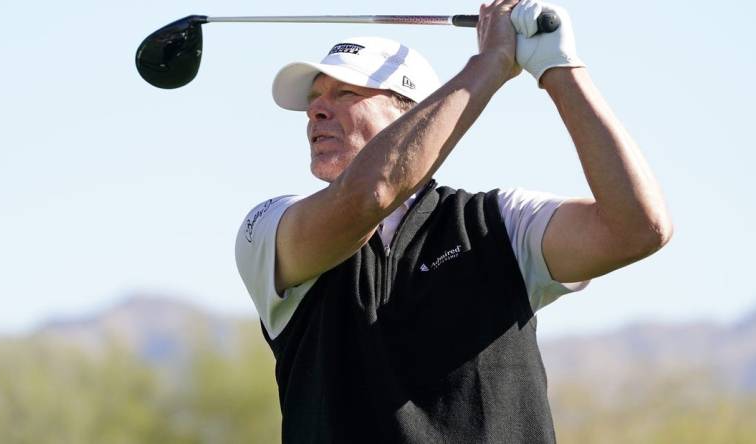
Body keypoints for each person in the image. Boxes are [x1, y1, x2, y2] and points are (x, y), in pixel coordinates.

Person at [235, 0, 672, 442]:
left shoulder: (500, 224)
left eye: (346, 93)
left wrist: (559, 67)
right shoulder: (269, 230)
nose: (316, 111)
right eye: (313, 99)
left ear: (413, 114)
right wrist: (490, 63)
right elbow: (370, 196)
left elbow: (637, 228)